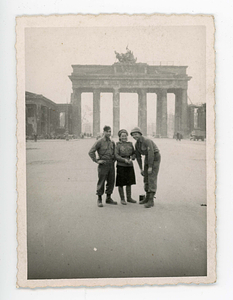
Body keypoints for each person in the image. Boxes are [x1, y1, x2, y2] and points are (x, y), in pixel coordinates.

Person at [130, 127, 161, 208]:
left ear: (140, 134)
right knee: (146, 177)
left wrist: (150, 166)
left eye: (136, 134)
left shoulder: (147, 141)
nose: (135, 136)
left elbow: (151, 153)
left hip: (155, 157)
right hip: (147, 158)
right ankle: (147, 197)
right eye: (133, 135)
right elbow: (138, 157)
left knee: (151, 177)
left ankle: (151, 200)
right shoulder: (137, 144)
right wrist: (141, 169)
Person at [88, 125, 117, 207]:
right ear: (103, 132)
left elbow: (114, 153)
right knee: (101, 181)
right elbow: (91, 152)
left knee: (111, 181)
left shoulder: (112, 142)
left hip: (111, 164)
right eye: (107, 131)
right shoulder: (99, 141)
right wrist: (97, 161)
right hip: (103, 164)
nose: (109, 133)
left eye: (110, 131)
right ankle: (99, 199)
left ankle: (108, 198)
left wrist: (114, 160)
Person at [115, 129, 136, 205]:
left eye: (125, 136)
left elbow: (134, 153)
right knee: (121, 183)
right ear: (120, 137)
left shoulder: (130, 144)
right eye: (122, 136)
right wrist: (124, 160)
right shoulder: (118, 145)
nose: (124, 137)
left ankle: (129, 198)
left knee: (129, 182)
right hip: (121, 165)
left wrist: (132, 158)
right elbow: (116, 155)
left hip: (129, 165)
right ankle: (122, 199)